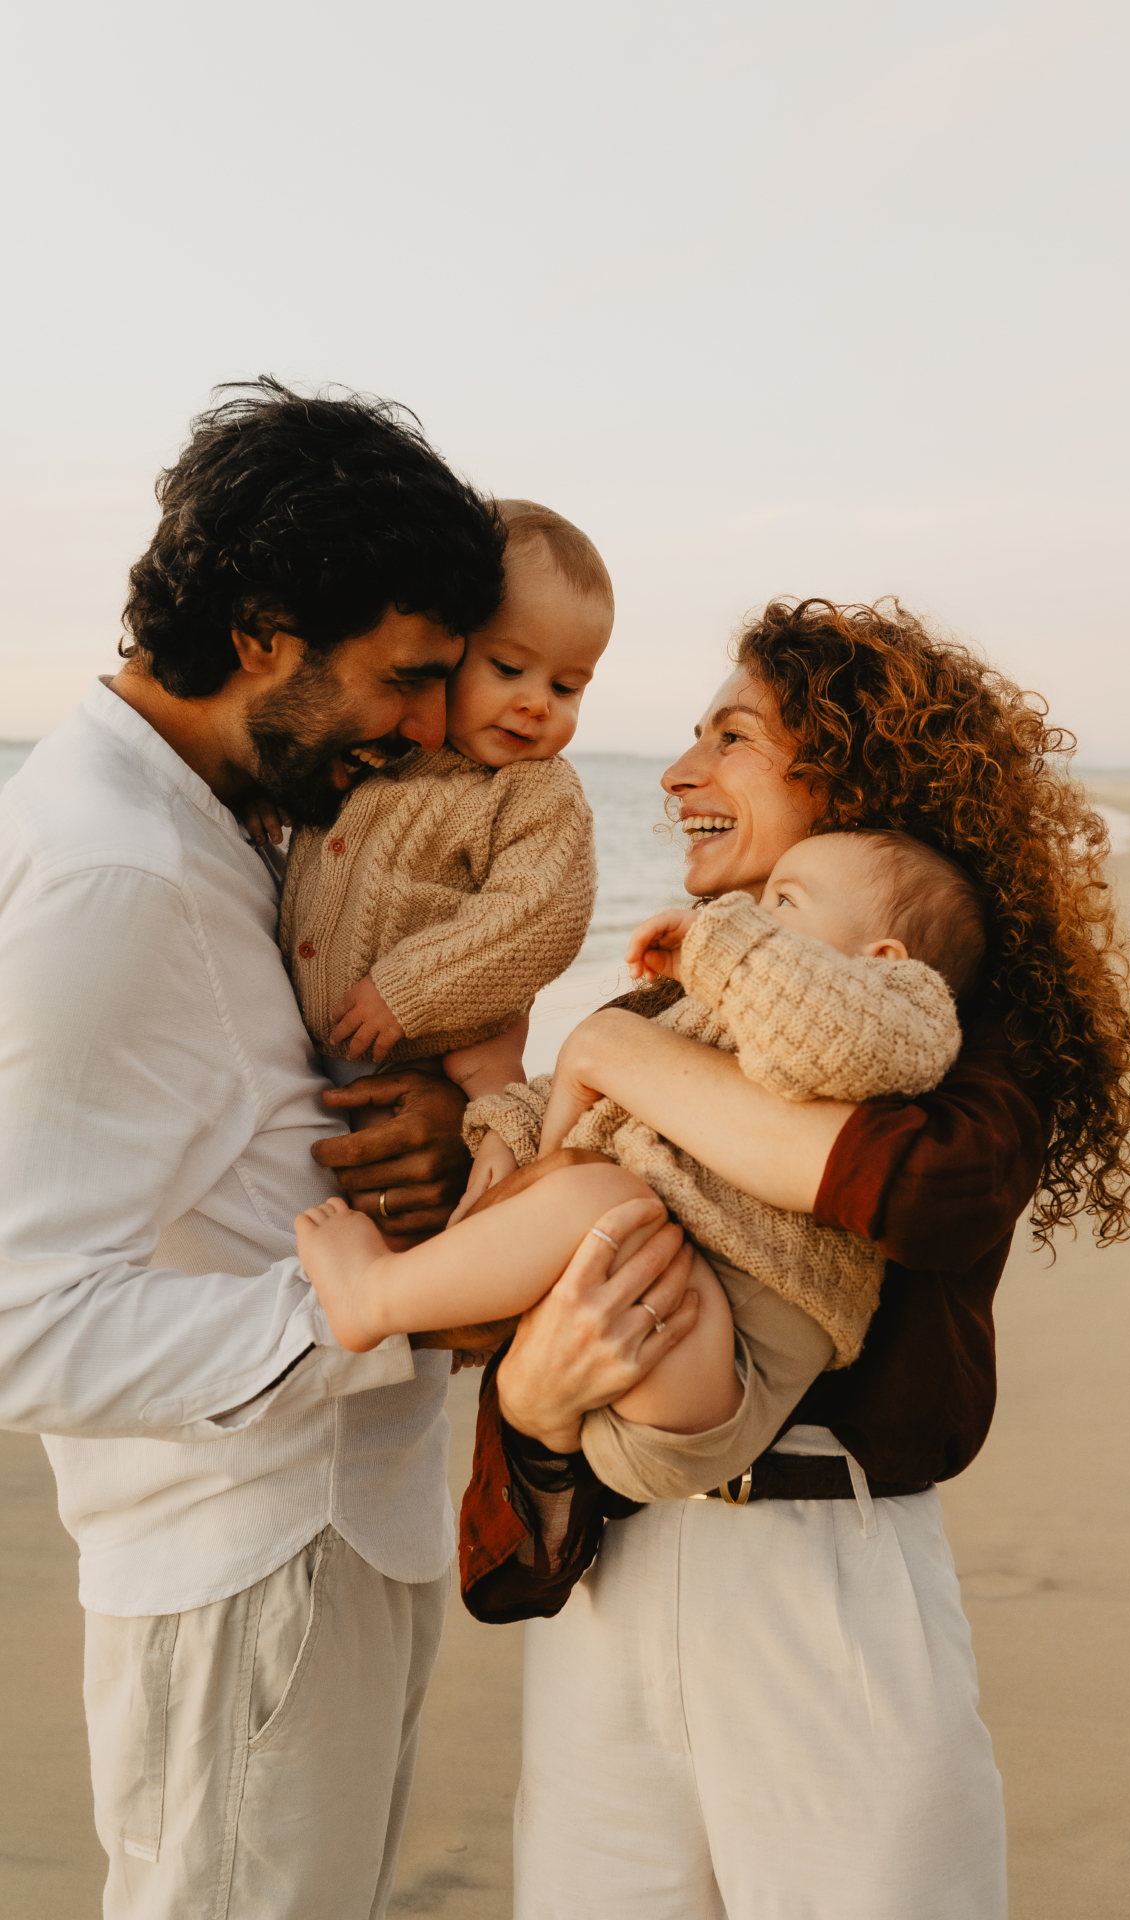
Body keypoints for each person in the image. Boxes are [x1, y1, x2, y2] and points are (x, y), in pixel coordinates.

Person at [456, 598, 1130, 1919]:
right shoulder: (642, 1013)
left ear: (846, 771)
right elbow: (539, 1284)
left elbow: (934, 1191)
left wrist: (623, 1062)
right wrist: (536, 1417)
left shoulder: (944, 1013)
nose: (677, 774)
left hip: (824, 1589)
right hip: (615, 1579)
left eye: (730, 739)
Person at [0, 378, 515, 1920]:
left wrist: (442, 1121)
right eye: (408, 680)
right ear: (263, 634)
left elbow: (249, 1115)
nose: (433, 731)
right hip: (247, 1565)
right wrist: (364, 1315)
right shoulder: (116, 868)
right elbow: (21, 1319)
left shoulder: (233, 815)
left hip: (330, 1532)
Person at [295, 830, 977, 1468]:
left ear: (884, 960)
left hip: (728, 1372)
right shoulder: (705, 1019)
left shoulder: (903, 1012)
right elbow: (609, 1099)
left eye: (784, 901)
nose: (750, 913)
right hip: (635, 1337)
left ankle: (375, 1298)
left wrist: (723, 948)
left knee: (605, 1196)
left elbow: (835, 1039)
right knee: (599, 1194)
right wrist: (511, 1126)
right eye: (758, 898)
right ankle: (419, 1302)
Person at [266, 501, 611, 1084]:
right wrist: (267, 793)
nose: (537, 704)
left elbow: (537, 917)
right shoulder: (380, 746)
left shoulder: (536, 789)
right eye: (506, 668)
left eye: (566, 686)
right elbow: (303, 780)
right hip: (306, 1050)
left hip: (425, 1050)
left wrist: (408, 990)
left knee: (478, 1134)